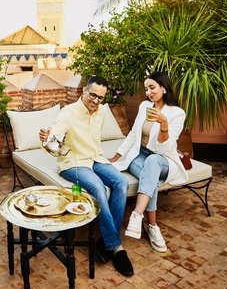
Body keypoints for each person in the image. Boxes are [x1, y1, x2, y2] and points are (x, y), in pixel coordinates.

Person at [39, 76, 134, 276]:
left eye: (100, 97)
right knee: (97, 187)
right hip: (72, 163)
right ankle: (116, 247)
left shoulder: (101, 113)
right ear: (84, 90)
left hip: (95, 158)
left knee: (121, 181)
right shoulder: (68, 112)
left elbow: (94, 143)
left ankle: (107, 239)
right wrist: (47, 139)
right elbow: (55, 138)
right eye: (93, 95)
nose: (96, 101)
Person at [109, 72, 187, 253]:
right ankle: (152, 226)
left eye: (152, 87)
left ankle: (137, 214)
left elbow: (164, 149)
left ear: (163, 88)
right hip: (140, 155)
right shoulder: (144, 106)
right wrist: (117, 155)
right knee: (148, 175)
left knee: (152, 162)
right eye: (146, 89)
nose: (149, 92)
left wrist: (164, 124)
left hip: (164, 160)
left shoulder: (176, 113)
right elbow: (134, 134)